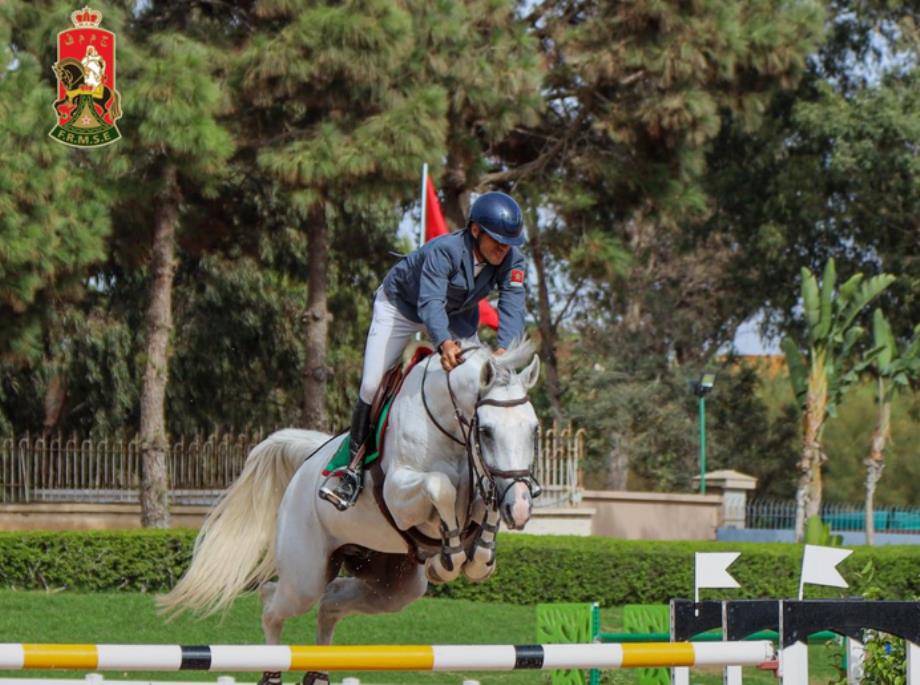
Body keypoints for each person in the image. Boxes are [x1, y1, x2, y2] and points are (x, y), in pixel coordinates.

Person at [319, 191, 529, 510]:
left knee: (478, 387)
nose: (504, 248)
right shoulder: (445, 250)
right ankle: (350, 470)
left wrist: (504, 351)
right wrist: (442, 342)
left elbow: (513, 305)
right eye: (497, 240)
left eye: (509, 241)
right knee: (372, 384)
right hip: (401, 307)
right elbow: (430, 302)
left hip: (458, 315)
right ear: (475, 230)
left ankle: (479, 472)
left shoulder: (512, 259)